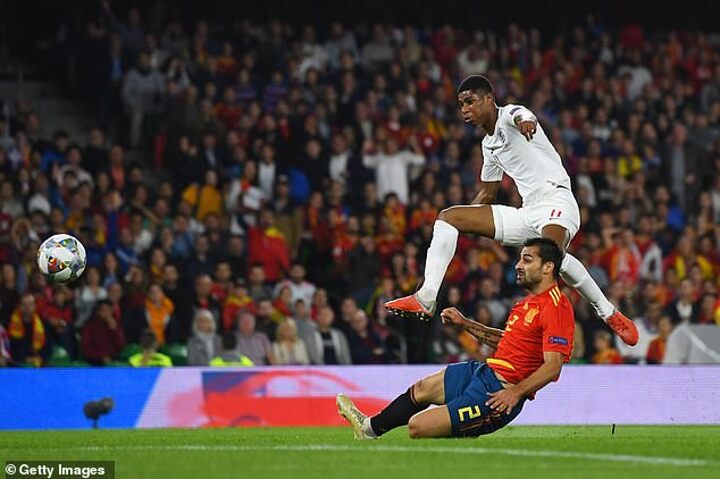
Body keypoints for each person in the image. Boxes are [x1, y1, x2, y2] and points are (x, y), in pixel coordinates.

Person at [385, 75, 637, 347]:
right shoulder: (488, 146)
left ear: (488, 99)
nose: (465, 109)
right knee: (448, 218)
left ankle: (606, 313)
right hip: (527, 213)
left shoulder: (510, 115)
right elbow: (488, 194)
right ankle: (426, 297)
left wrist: (526, 123)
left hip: (556, 201)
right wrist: (467, 224)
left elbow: (523, 116)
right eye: (461, 105)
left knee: (547, 257)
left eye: (470, 101)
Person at [337, 238, 574, 439]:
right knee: (423, 388)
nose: (518, 265)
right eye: (520, 259)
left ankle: (467, 431)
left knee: (417, 427)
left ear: (548, 267)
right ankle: (368, 429)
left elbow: (553, 366)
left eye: (527, 260)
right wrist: (464, 323)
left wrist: (516, 392)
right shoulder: (525, 303)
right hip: (485, 372)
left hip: (500, 392)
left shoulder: (556, 307)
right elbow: (509, 342)